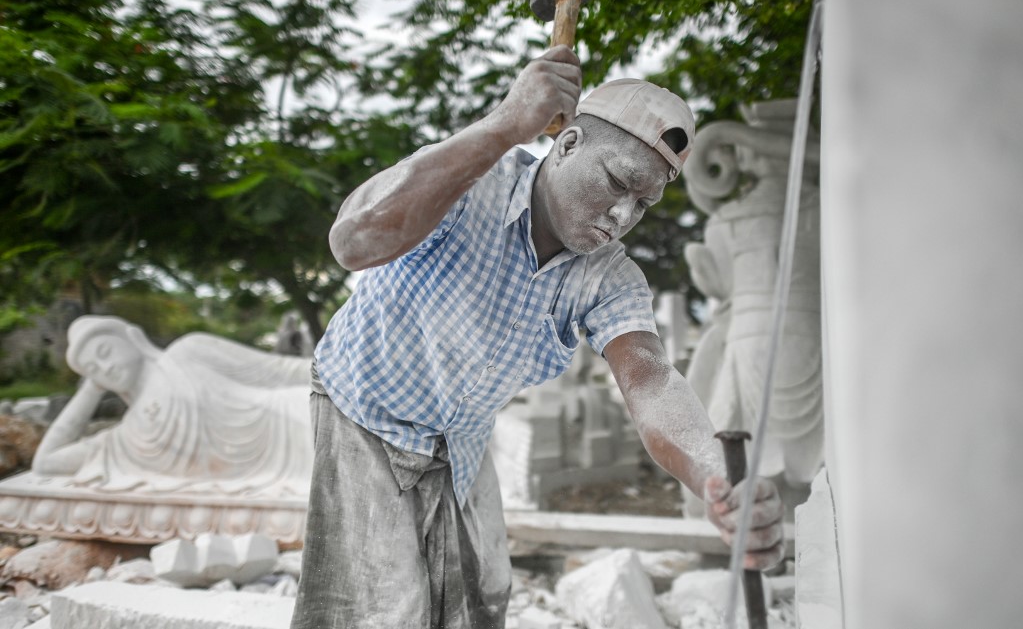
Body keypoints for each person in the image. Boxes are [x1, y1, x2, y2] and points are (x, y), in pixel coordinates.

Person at [290, 46, 784, 629]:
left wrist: (715, 477)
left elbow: (651, 381)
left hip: (460, 441)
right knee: (379, 613)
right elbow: (352, 242)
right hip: (364, 412)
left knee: (481, 602)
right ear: (568, 144)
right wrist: (504, 124)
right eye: (619, 182)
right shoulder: (468, 182)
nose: (624, 214)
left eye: (644, 202)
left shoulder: (608, 276)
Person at [34, 315, 313, 497]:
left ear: (131, 337)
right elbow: (46, 462)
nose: (105, 367)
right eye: (93, 369)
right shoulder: (130, 436)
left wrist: (349, 371)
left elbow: (279, 370)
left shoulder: (188, 352)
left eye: (105, 352)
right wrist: (91, 389)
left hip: (301, 416)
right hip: (277, 476)